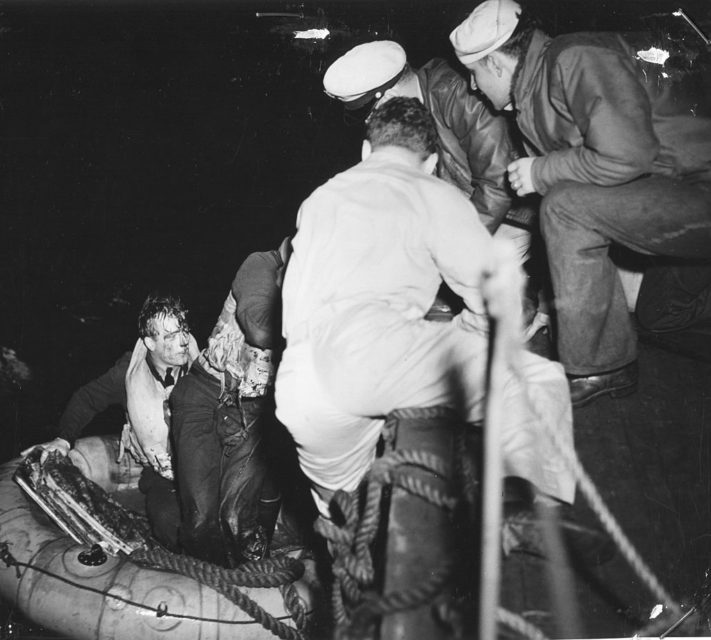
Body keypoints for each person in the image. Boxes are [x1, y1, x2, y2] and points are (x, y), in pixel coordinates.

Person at [275, 97, 610, 561]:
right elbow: (497, 299)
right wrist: (470, 329)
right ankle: (518, 509)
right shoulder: (430, 191)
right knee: (534, 381)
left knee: (344, 514)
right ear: (431, 162)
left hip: (300, 390)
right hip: (364, 355)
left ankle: (354, 579)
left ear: (367, 152)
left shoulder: (321, 197)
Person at [449, 0, 711, 407]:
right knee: (659, 316)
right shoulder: (537, 89)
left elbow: (626, 156)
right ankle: (606, 358)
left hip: (698, 189)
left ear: (496, 64)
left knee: (563, 205)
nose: (471, 86)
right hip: (676, 197)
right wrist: (569, 309)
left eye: (474, 73)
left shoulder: (573, 59)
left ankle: (600, 367)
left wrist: (540, 171)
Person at [323, 40, 548, 337]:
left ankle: (515, 319)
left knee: (475, 287)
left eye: (370, 111)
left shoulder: (458, 94)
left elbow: (497, 183)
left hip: (516, 210)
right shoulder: (410, 112)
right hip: (469, 208)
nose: (370, 121)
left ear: (388, 95)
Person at [21, 293, 199, 550]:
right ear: (150, 342)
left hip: (203, 465)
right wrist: (63, 438)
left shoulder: (200, 363)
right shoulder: (126, 374)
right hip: (163, 473)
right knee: (166, 519)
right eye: (170, 337)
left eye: (183, 330)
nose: (183, 341)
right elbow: (87, 398)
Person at [170, 238, 292, 568]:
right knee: (199, 521)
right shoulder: (260, 264)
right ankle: (207, 587)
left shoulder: (323, 282)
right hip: (204, 390)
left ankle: (253, 579)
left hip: (251, 407)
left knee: (238, 520)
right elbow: (258, 326)